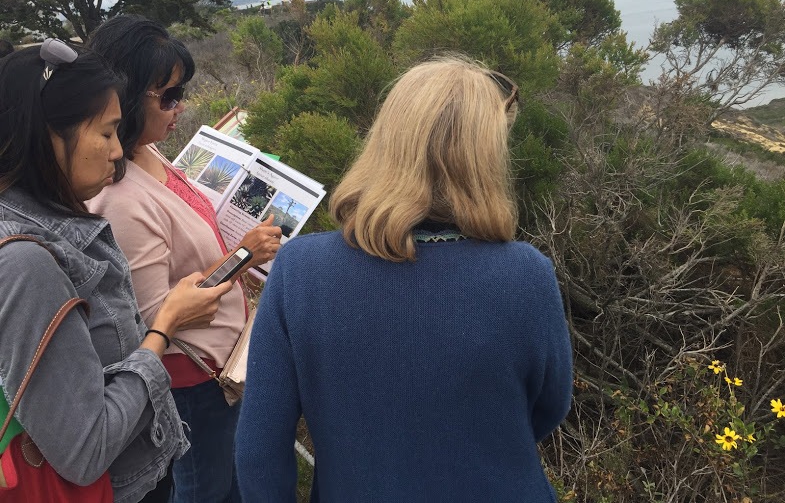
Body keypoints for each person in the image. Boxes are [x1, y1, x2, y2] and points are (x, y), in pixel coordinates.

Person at [235, 56, 574, 502]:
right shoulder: (525, 274)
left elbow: (259, 449)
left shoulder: (300, 271)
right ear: (485, 158)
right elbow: (549, 408)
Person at [0, 41, 233, 502]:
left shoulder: (48, 223)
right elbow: (87, 449)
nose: (116, 152)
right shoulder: (27, 264)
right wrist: (164, 327)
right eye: (105, 134)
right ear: (48, 135)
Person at [87, 14, 281, 503]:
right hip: (191, 379)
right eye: (169, 96)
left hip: (214, 367)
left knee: (230, 480)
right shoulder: (119, 195)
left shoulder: (147, 151)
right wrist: (244, 254)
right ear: (127, 97)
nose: (180, 107)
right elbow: (158, 316)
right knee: (205, 488)